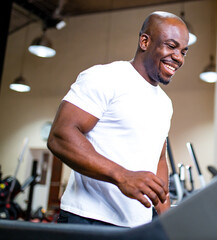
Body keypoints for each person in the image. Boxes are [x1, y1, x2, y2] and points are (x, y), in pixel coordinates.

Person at [47, 11, 189, 228]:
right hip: (89, 219)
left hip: (136, 226)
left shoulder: (164, 102)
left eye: (183, 51)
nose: (178, 57)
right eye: (171, 46)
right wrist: (122, 176)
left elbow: (158, 159)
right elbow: (61, 135)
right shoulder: (105, 77)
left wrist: (166, 217)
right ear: (144, 41)